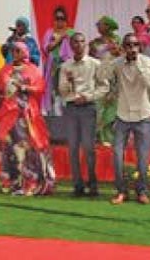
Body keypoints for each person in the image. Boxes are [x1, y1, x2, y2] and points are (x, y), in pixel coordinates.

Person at [0, 42, 56, 196]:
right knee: (7, 146)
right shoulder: (5, 70)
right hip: (8, 116)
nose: (15, 53)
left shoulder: (33, 70)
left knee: (28, 149)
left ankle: (31, 183)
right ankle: (13, 183)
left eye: (18, 50)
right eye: (13, 51)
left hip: (27, 116)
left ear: (25, 52)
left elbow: (40, 88)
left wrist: (24, 88)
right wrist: (0, 97)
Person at [107, 33, 150, 205]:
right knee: (117, 154)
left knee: (143, 157)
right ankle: (121, 191)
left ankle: (141, 191)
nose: (132, 48)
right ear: (123, 47)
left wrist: (137, 63)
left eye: (135, 45)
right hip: (123, 114)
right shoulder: (118, 62)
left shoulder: (146, 61)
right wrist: (110, 56)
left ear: (139, 47)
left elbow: (149, 83)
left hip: (142, 115)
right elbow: (102, 76)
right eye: (128, 45)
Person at [60, 32, 109, 196]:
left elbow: (104, 87)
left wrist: (88, 97)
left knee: (88, 147)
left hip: (88, 107)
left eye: (81, 42)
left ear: (85, 44)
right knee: (73, 148)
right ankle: (78, 185)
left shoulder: (95, 64)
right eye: (75, 42)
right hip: (72, 108)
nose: (78, 45)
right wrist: (68, 82)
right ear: (71, 46)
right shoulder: (66, 66)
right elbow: (61, 90)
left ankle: (93, 183)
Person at [88, 16, 122, 145]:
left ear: (107, 26)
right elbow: (90, 59)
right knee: (98, 107)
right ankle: (98, 136)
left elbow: (120, 55)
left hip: (113, 77)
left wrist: (114, 49)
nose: (98, 26)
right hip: (98, 77)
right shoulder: (94, 43)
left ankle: (108, 137)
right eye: (97, 24)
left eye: (100, 24)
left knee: (112, 107)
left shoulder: (116, 40)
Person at [41, 5, 75, 115]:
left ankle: (67, 116)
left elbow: (76, 50)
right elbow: (47, 48)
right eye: (57, 18)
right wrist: (59, 39)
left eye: (62, 19)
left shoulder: (71, 33)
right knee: (53, 92)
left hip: (68, 66)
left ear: (66, 20)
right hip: (53, 67)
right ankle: (53, 117)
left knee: (66, 92)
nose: (59, 21)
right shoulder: (49, 32)